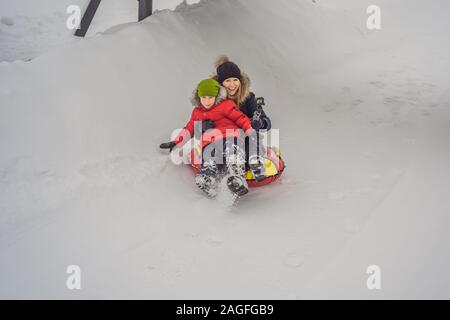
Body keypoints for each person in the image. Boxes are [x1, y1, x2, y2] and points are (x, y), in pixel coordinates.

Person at [160, 78, 255, 198]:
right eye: (204, 97)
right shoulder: (197, 112)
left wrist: (249, 130)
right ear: (199, 98)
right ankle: (208, 179)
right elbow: (189, 128)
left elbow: (240, 118)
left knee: (233, 151)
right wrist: (176, 142)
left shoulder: (226, 105)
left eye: (210, 97)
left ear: (217, 96)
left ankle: (237, 177)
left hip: (229, 136)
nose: (207, 101)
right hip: (209, 142)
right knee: (209, 157)